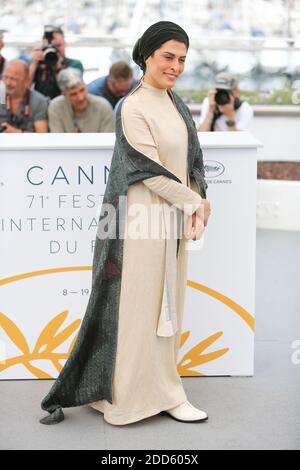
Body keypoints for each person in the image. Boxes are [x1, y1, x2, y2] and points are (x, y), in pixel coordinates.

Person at [39, 21, 211, 427]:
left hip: (171, 221)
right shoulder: (131, 106)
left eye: (182, 59)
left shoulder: (175, 102)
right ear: (147, 55)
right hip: (139, 225)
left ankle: (166, 390)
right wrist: (196, 204)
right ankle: (127, 398)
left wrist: (199, 204)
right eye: (168, 56)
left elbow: (191, 162)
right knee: (137, 311)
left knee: (169, 306)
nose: (176, 66)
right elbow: (147, 170)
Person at [48, 68, 115, 133]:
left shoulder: (103, 107)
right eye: (73, 94)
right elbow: (57, 140)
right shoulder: (56, 107)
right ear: (64, 95)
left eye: (82, 90)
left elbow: (107, 141)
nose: (80, 98)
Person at [28, 25, 84, 100]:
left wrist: (59, 69)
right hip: (41, 106)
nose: (54, 51)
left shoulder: (74, 65)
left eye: (58, 46)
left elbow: (72, 92)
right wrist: (34, 64)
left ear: (65, 44)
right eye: (50, 47)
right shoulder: (37, 65)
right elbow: (24, 89)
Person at [0, 59, 48, 133]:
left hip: (29, 144)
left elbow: (42, 135)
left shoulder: (39, 101)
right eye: (5, 77)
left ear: (26, 81)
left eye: (13, 79)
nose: (8, 83)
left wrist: (17, 132)